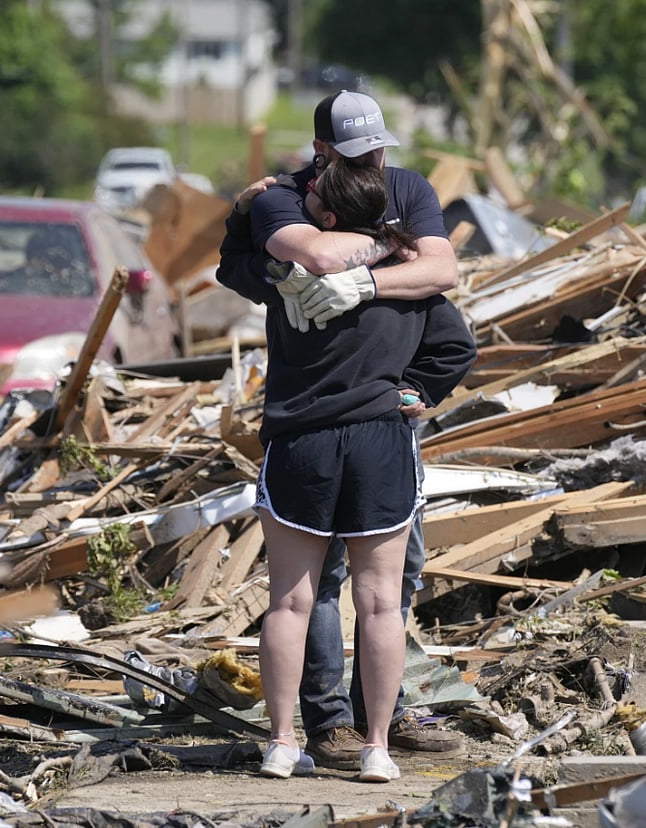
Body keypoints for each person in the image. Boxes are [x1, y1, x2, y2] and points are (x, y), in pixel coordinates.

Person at [217, 91, 467, 771]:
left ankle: (290, 740)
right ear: (322, 154)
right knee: (358, 598)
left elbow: (440, 274)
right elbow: (319, 256)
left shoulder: (404, 189)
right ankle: (343, 731)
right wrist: (392, 251)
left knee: (314, 596)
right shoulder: (283, 198)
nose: (375, 164)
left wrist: (369, 283)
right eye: (360, 155)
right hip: (365, 435)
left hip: (316, 433)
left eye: (380, 150)